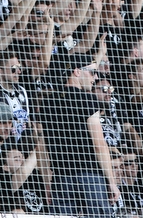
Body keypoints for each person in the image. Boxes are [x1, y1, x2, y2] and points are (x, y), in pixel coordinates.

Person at [42, 53, 120, 217]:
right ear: (77, 71)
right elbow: (99, 144)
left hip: (61, 178)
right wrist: (112, 182)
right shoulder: (88, 100)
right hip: (89, 176)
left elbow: (42, 147)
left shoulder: (48, 102)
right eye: (92, 72)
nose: (96, 77)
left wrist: (47, 182)